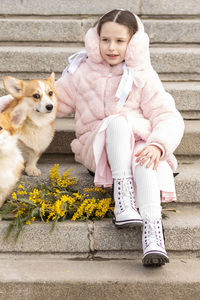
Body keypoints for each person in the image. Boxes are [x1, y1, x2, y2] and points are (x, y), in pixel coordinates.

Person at [2, 9, 185, 266]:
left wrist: (158, 145)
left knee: (145, 162)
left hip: (136, 144)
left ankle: (153, 237)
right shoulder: (81, 73)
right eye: (105, 40)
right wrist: (5, 105)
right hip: (98, 148)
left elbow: (168, 115)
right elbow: (48, 97)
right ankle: (122, 199)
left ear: (132, 43)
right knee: (117, 121)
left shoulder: (143, 74)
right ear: (95, 39)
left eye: (120, 41)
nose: (111, 47)